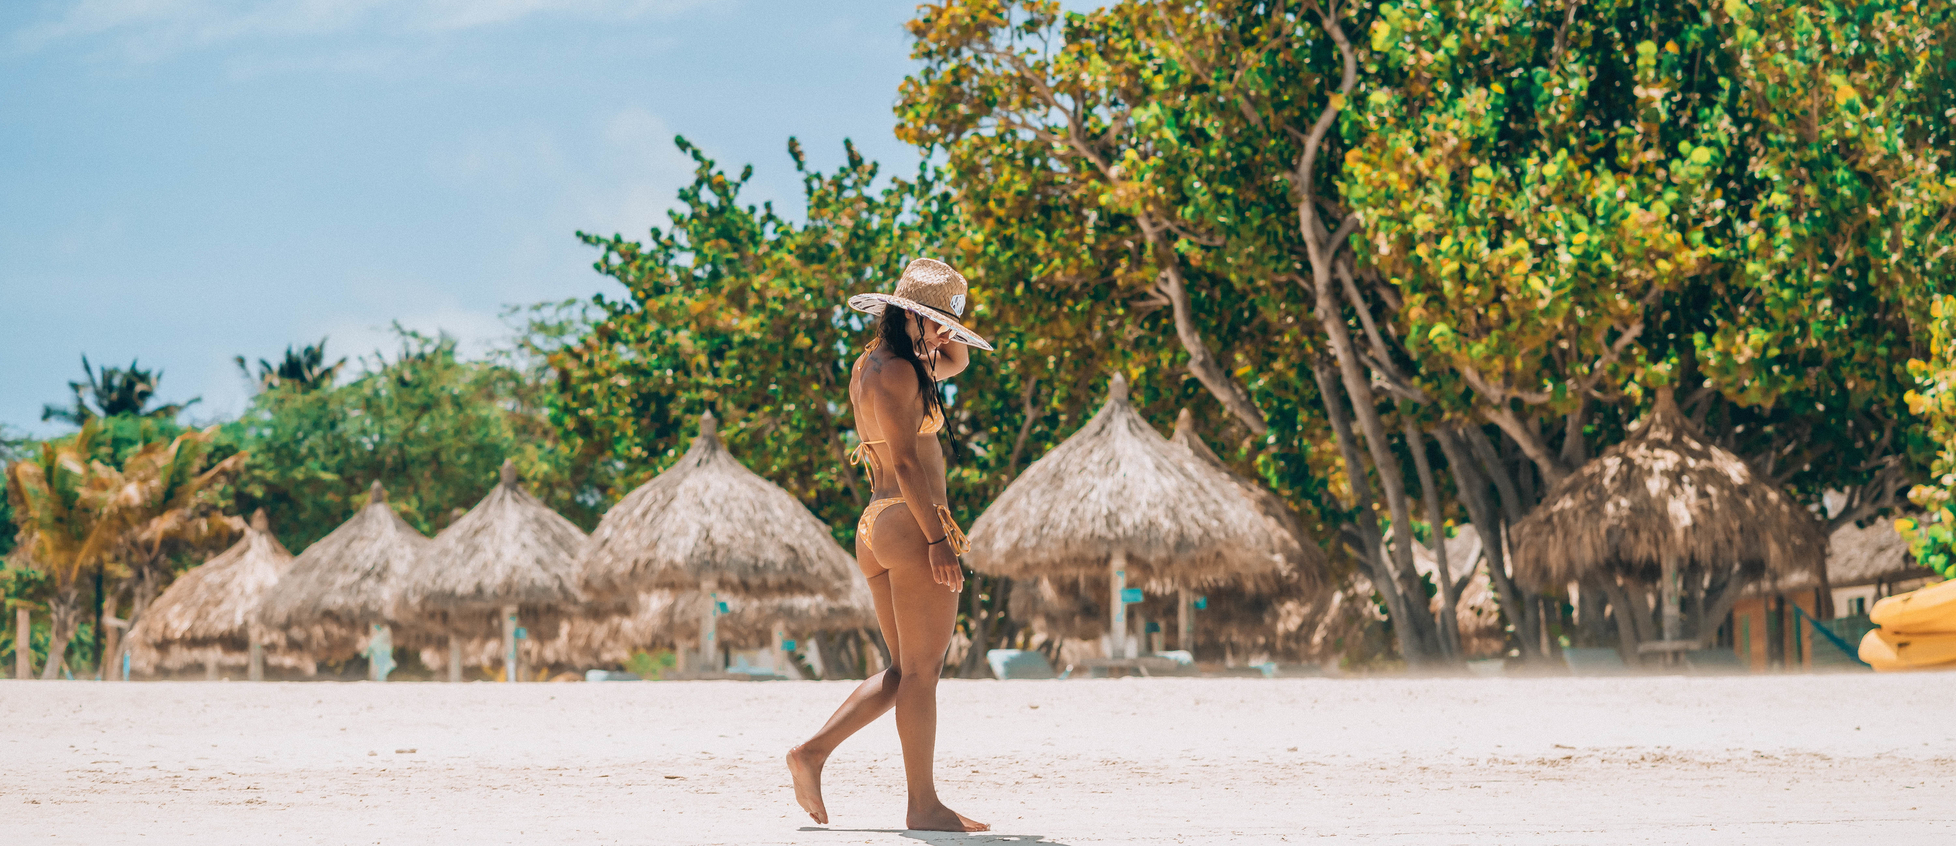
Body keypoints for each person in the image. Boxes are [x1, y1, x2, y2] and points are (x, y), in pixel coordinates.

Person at [786, 258, 994, 833]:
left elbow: (957, 360)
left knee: (904, 671)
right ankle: (922, 804)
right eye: (934, 321)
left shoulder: (871, 365)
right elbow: (906, 461)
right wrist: (938, 541)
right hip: (911, 524)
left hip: (875, 526)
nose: (943, 335)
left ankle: (811, 752)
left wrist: (942, 331)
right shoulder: (903, 373)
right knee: (923, 674)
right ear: (908, 315)